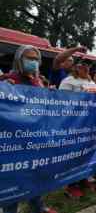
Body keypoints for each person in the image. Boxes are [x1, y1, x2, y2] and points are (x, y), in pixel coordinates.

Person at [2, 45, 57, 213]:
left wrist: (51, 95)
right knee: (13, 179)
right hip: (14, 142)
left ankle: (39, 207)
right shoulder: (8, 79)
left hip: (35, 138)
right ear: (19, 60)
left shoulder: (38, 81)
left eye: (35, 59)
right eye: (29, 58)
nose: (32, 62)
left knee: (35, 175)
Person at [59, 59, 96, 197]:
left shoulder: (91, 82)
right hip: (73, 124)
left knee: (86, 152)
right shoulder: (68, 81)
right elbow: (61, 102)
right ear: (76, 67)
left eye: (88, 66)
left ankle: (83, 178)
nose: (86, 68)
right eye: (83, 65)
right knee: (73, 154)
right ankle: (71, 185)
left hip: (89, 124)